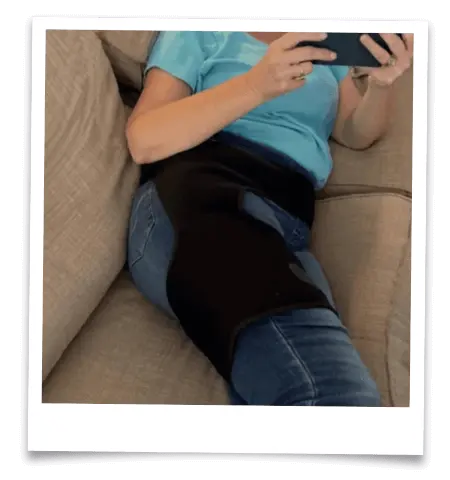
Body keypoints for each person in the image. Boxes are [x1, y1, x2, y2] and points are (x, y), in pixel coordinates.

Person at [125, 31, 413, 406]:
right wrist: (254, 85)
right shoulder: (198, 32)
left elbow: (354, 132)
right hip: (200, 191)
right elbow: (144, 139)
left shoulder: (322, 42)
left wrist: (381, 84)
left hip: (286, 217)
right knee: (335, 391)